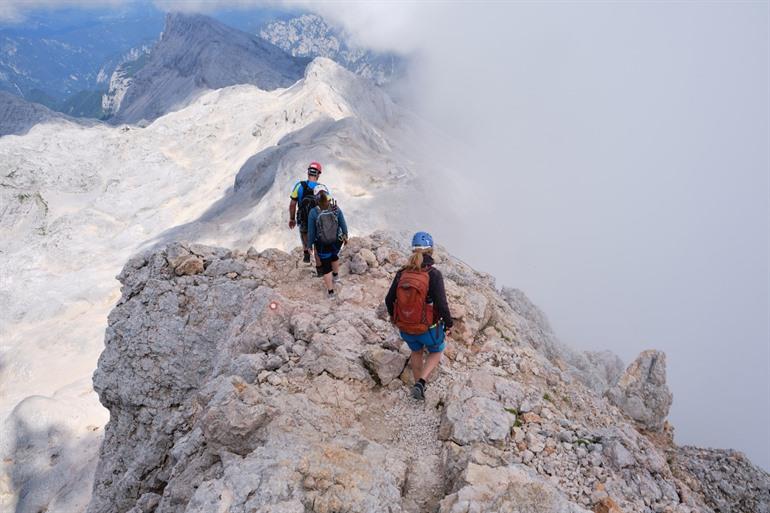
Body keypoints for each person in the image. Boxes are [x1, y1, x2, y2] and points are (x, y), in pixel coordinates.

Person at [385, 231, 453, 400]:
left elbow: (389, 299)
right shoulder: (433, 274)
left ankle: (417, 388)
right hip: (427, 329)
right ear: (431, 251)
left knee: (416, 352)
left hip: (405, 328)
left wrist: (395, 319)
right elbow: (441, 305)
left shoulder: (402, 273)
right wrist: (449, 325)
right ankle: (421, 382)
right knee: (437, 351)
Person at [306, 188, 348, 299]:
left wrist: (309, 245)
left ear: (316, 199)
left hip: (322, 244)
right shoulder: (335, 208)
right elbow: (343, 223)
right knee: (334, 256)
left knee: (326, 266)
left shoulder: (313, 212)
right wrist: (345, 236)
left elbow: (311, 232)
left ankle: (330, 293)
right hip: (336, 240)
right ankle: (336, 277)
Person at [288, 161, 327, 272]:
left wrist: (292, 219)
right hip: (318, 220)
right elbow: (328, 205)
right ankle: (320, 270)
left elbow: (292, 204)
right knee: (318, 245)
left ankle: (306, 255)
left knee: (304, 235)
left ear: (308, 173)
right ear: (318, 174)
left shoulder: (299, 186)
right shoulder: (322, 188)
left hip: (304, 219)